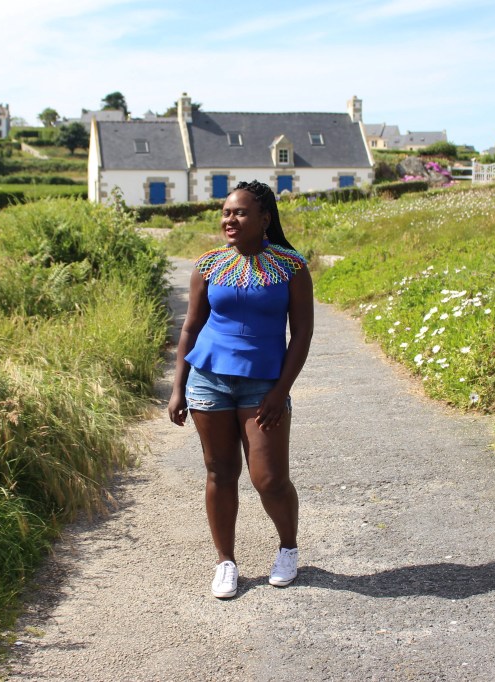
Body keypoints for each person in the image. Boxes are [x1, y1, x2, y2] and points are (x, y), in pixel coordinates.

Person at [168, 180, 314, 599]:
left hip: (263, 385)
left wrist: (280, 391)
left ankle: (288, 548)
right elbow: (190, 328)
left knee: (269, 479)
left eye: (240, 213)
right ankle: (225, 562)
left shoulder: (291, 267)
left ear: (264, 218)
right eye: (226, 213)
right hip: (208, 383)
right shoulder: (209, 265)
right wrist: (178, 387)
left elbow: (301, 335)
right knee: (220, 472)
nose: (230, 220)